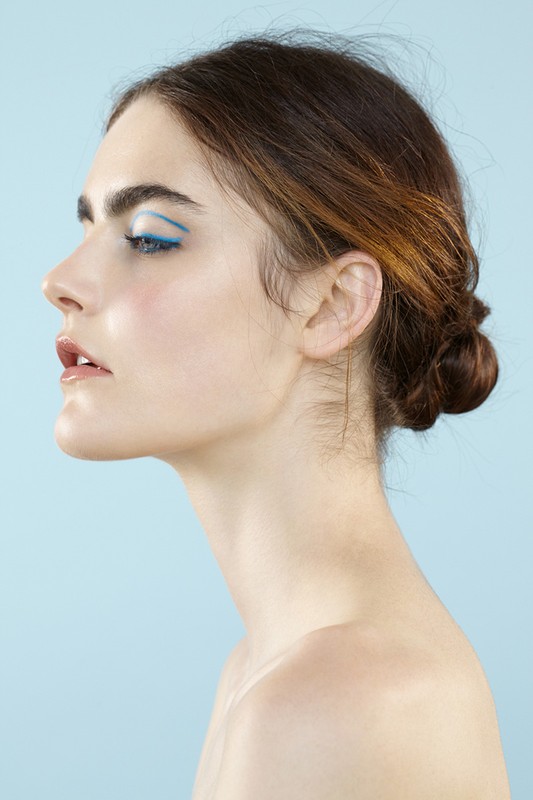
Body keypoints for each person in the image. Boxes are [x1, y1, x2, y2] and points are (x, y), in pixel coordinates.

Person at [41, 30, 511, 799]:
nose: (59, 280)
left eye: (149, 238)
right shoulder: (267, 670)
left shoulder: (337, 699)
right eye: (87, 226)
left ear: (331, 305)